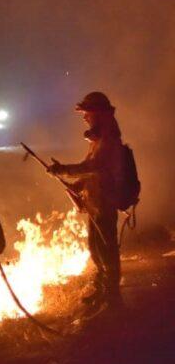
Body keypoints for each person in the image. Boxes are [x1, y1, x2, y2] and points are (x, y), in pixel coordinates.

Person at [50, 91, 125, 313]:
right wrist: (77, 185)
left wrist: (64, 170)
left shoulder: (108, 138)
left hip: (104, 202)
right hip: (94, 201)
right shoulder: (99, 139)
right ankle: (103, 289)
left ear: (98, 113)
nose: (84, 118)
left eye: (87, 113)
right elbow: (90, 168)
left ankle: (112, 296)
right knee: (95, 247)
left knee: (106, 249)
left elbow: (94, 168)